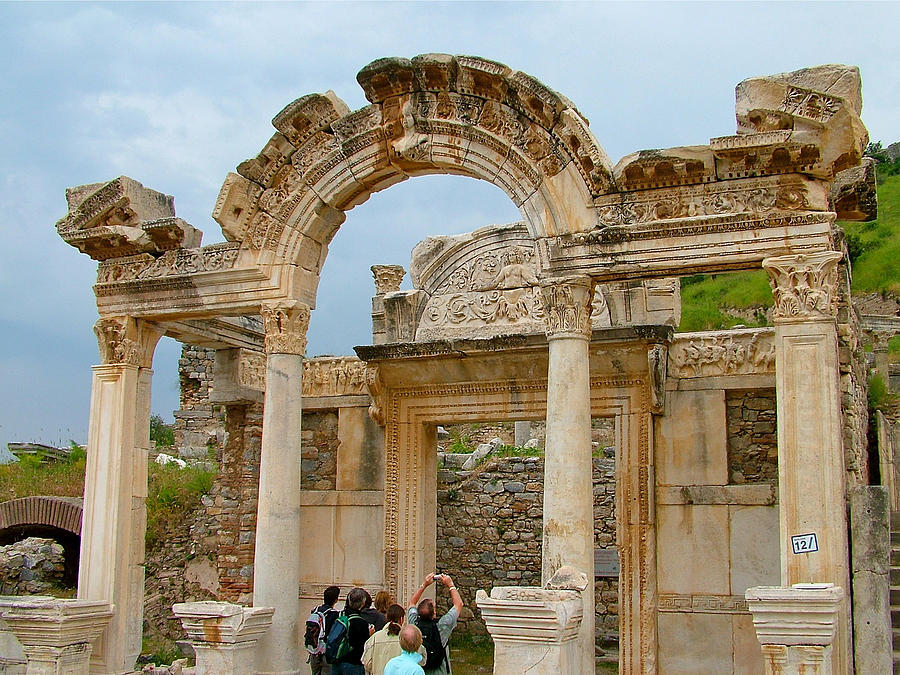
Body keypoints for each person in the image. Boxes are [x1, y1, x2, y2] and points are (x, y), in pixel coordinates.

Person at [407, 573, 463, 675]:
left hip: (419, 669)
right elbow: (458, 604)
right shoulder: (442, 626)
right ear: (434, 614)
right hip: (439, 670)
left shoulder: (414, 624)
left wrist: (424, 585)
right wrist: (450, 585)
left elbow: (412, 603)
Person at [362, 604, 427, 675]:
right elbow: (422, 660)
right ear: (401, 619)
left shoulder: (374, 638)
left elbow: (366, 663)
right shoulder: (408, 638)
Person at [332, 587, 373, 675]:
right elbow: (363, 647)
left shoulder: (338, 616)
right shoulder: (361, 623)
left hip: (336, 662)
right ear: (362, 604)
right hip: (353, 665)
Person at [310, 585, 341, 675]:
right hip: (326, 652)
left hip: (314, 651)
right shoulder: (334, 614)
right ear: (336, 600)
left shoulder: (315, 610)